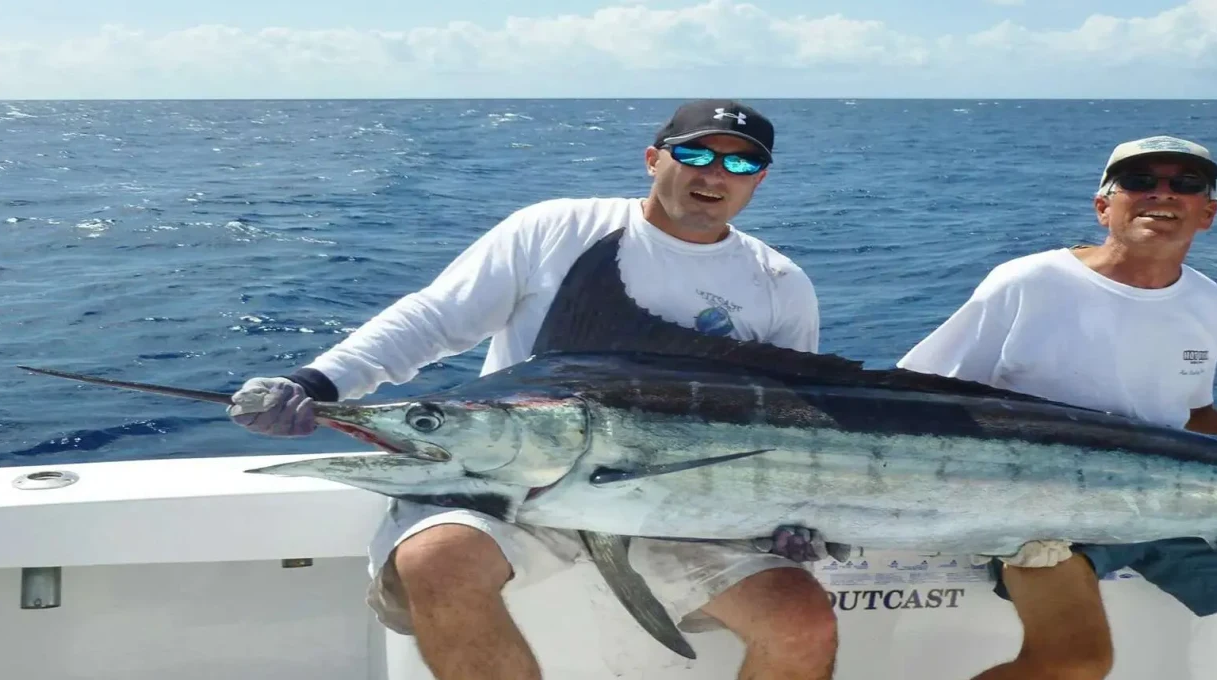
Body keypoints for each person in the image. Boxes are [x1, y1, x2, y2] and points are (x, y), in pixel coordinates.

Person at [225, 99, 840, 680]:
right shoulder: (556, 228)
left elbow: (796, 422)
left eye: (740, 162)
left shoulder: (780, 284)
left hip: (678, 507)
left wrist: (795, 510)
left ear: (759, 179)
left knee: (800, 619)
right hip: (510, 487)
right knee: (437, 560)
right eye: (697, 154)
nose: (715, 174)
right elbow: (433, 319)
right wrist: (314, 381)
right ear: (654, 159)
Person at [897, 136, 1217, 680]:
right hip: (1045, 509)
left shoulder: (1207, 301)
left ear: (1207, 213)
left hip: (1179, 503)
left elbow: (1194, 413)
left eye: (1185, 185)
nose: (1161, 194)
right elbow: (921, 393)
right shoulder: (1029, 281)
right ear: (1103, 206)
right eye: (1139, 182)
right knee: (1074, 662)